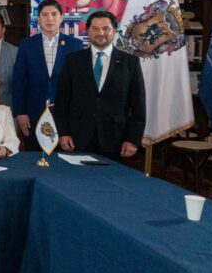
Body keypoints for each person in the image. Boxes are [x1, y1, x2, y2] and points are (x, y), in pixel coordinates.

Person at [54, 10, 147, 161]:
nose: (100, 33)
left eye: (106, 28)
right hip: (78, 137)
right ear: (88, 31)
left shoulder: (130, 63)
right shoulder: (73, 61)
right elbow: (62, 101)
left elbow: (138, 105)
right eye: (95, 28)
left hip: (116, 139)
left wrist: (133, 139)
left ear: (114, 31)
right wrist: (63, 132)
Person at [11, 0, 84, 150]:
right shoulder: (26, 44)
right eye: (44, 15)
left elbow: (79, 84)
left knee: (63, 158)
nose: (49, 18)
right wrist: (20, 112)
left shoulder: (75, 45)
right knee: (35, 157)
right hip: (33, 114)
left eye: (54, 14)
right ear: (38, 19)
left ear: (61, 17)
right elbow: (18, 80)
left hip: (65, 115)